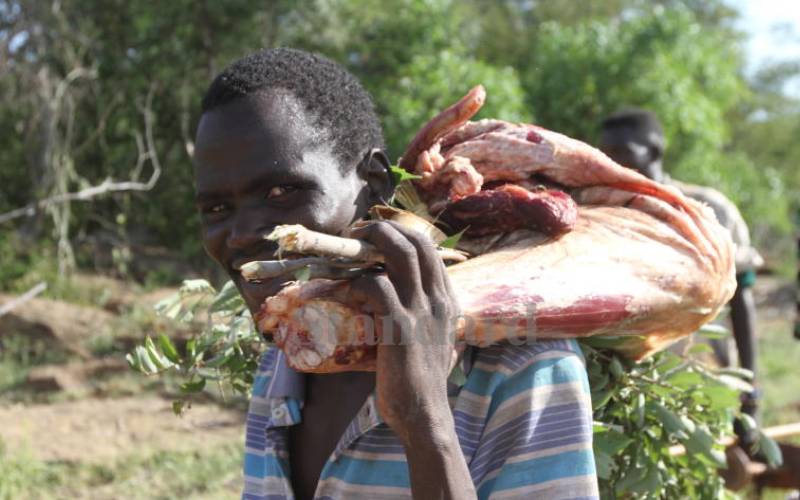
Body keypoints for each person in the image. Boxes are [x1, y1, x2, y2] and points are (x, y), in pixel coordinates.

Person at [193, 48, 598, 500]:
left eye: (282, 190)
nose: (244, 233)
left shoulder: (523, 365)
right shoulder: (286, 360)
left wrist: (423, 420)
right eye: (216, 209)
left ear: (375, 183)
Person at [599, 109, 763, 425]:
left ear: (655, 151)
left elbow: (742, 299)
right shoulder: (604, 215)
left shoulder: (708, 209)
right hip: (631, 384)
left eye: (623, 154)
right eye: (606, 155)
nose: (613, 165)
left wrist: (751, 389)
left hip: (705, 377)